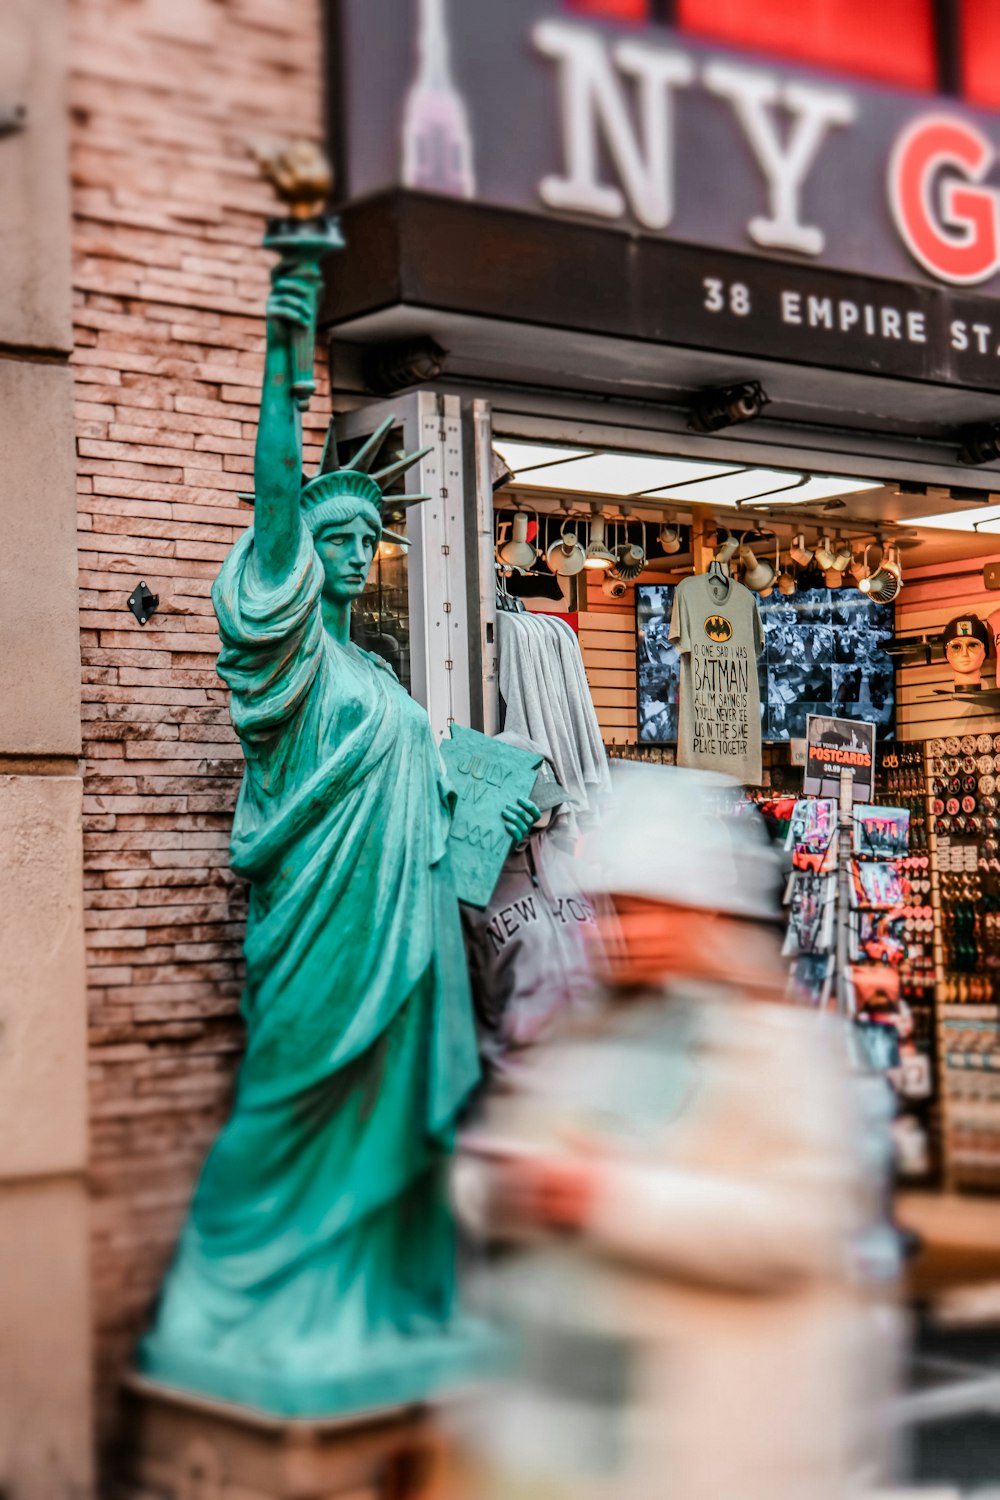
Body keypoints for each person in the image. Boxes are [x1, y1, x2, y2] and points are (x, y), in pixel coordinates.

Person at [139, 261, 535, 1414]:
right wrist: (283, 343)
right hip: (321, 934)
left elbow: (415, 792)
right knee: (287, 1102)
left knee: (383, 1118)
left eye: (372, 538)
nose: (361, 553)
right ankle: (234, 1299)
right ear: (299, 557)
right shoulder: (290, 655)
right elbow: (274, 489)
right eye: (341, 536)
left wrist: (481, 803)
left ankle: (364, 1304)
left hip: (399, 934)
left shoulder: (375, 669)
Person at [450, 765, 897, 1500]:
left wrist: (605, 1197)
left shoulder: (778, 1048)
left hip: (722, 1447)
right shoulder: (592, 1033)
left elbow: (798, 1224)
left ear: (709, 911)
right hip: (585, 1441)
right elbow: (523, 1166)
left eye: (656, 909)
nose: (632, 933)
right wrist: (497, 1185)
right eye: (620, 911)